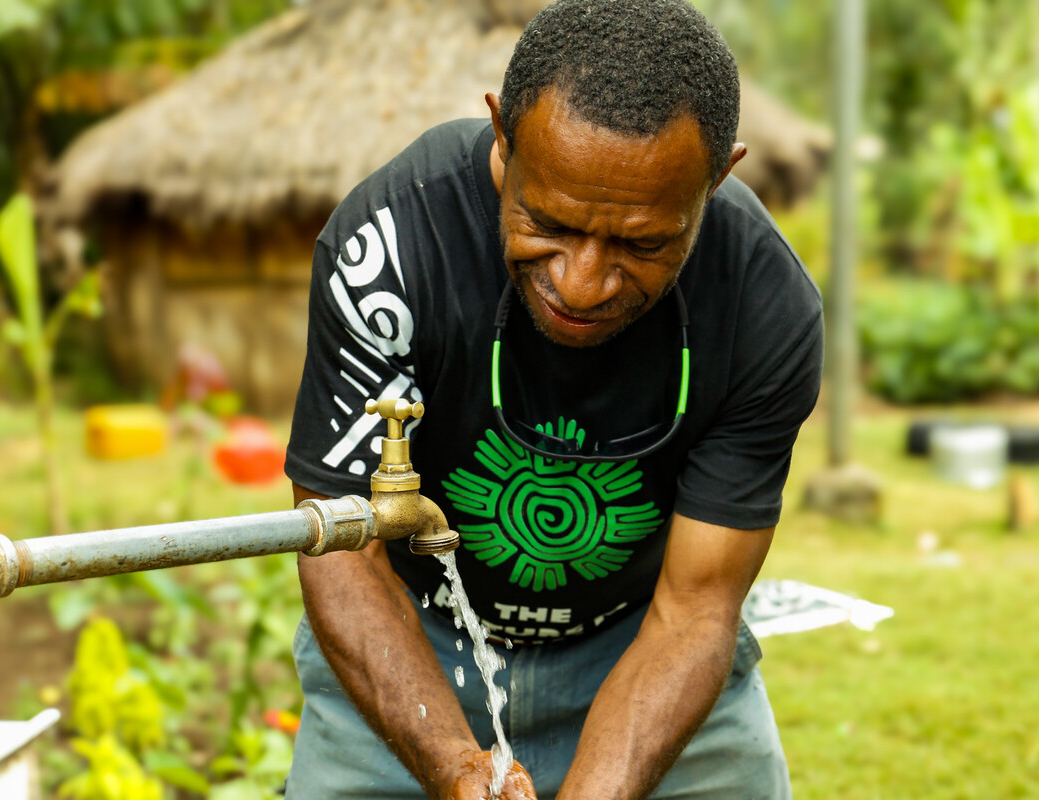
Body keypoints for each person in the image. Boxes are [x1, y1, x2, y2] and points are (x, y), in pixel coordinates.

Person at [282, 0, 823, 797]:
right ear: (502, 138)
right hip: (414, 642)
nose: (581, 282)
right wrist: (461, 769)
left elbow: (696, 608)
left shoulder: (762, 301)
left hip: (646, 644)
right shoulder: (390, 248)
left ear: (719, 176)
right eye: (550, 223)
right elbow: (343, 553)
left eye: (641, 243)